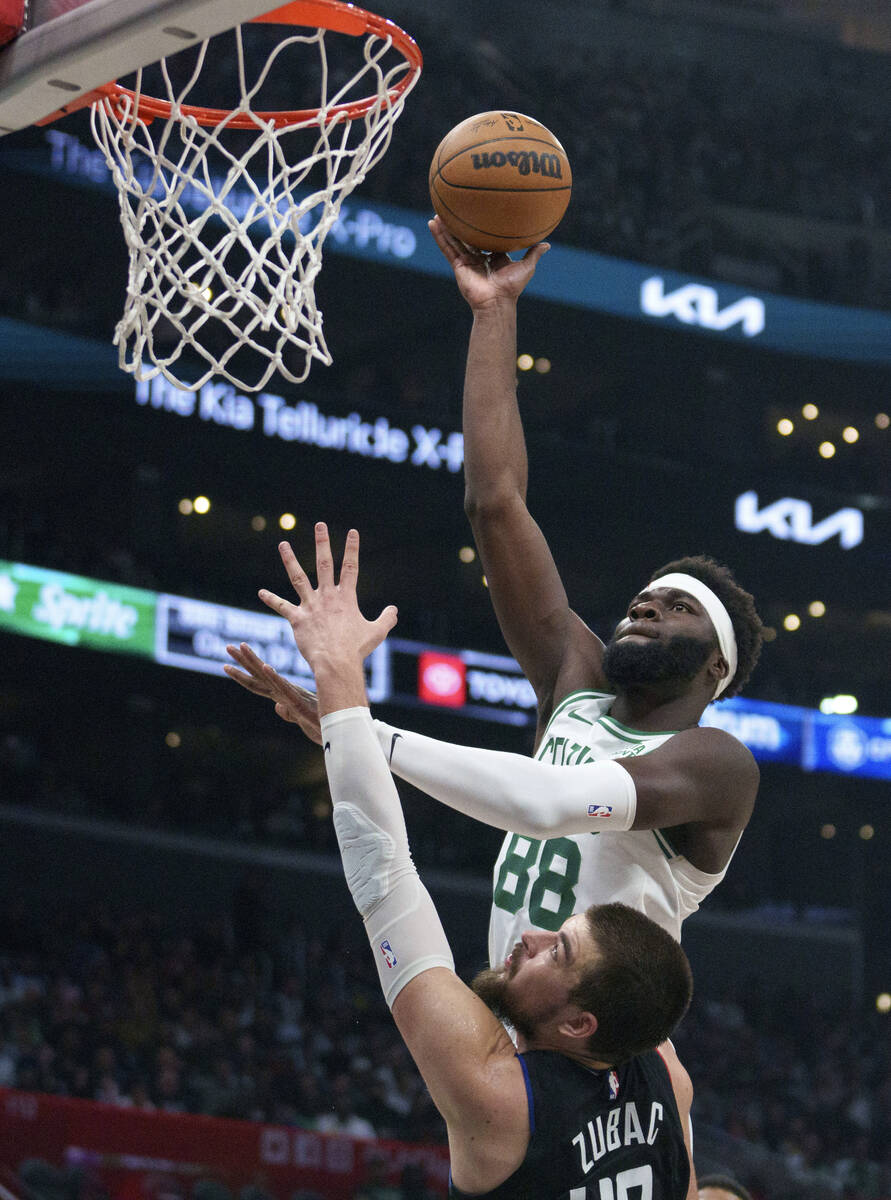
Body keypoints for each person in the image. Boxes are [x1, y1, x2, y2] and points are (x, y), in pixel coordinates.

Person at [253, 524, 697, 1199]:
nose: (530, 934)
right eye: (560, 933)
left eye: (558, 953)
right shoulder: (665, 1080)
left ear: (581, 1025)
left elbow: (384, 876)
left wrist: (339, 673)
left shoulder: (500, 1098)